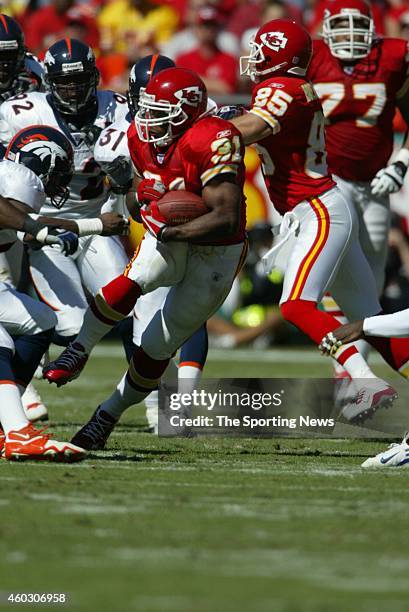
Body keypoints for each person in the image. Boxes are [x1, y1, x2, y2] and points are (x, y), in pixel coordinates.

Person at [44, 67, 247, 450]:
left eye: (159, 111)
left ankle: (107, 414)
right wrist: (146, 205)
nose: (147, 118)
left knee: (156, 344)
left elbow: (226, 217)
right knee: (136, 277)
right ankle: (79, 347)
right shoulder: (141, 134)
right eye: (147, 109)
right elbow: (142, 190)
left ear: (187, 111)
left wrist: (170, 228)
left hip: (216, 250)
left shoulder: (214, 138)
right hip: (173, 230)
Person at [234, 18, 409, 422]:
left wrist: (198, 130)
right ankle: (366, 375)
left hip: (318, 211)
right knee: (373, 320)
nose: (254, 60)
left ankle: (363, 380)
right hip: (323, 206)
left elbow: (250, 128)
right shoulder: (288, 87)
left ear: (279, 56)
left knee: (296, 305)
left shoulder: (281, 88)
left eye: (261, 52)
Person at [94, 53, 210, 437]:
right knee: (136, 307)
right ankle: (154, 401)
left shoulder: (200, 121)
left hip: (184, 214)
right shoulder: (116, 129)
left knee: (187, 304)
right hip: (137, 216)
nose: (151, 109)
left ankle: (179, 401)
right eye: (145, 98)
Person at [0, 38, 132, 359]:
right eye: (64, 81)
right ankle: (26, 374)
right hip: (46, 229)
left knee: (127, 307)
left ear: (94, 76)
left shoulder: (117, 109)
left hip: (97, 221)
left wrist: (124, 183)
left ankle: (156, 399)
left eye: (79, 79)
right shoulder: (20, 112)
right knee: (71, 326)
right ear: (49, 81)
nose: (73, 89)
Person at [307, 0, 409, 373]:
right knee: (344, 260)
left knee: (375, 266)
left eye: (358, 25)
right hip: (329, 178)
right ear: (326, 27)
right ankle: (346, 368)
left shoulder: (393, 57)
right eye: (342, 25)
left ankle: (359, 357)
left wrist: (401, 163)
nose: (350, 34)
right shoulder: (312, 56)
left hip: (377, 179)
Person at [0, 126, 90, 462]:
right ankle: (19, 432)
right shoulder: (20, 176)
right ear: (44, 163)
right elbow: (14, 215)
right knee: (2, 341)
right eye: (60, 174)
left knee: (39, 319)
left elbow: (27, 220)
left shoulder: (13, 177)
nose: (61, 185)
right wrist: (37, 228)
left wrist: (90, 225)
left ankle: (6, 424)